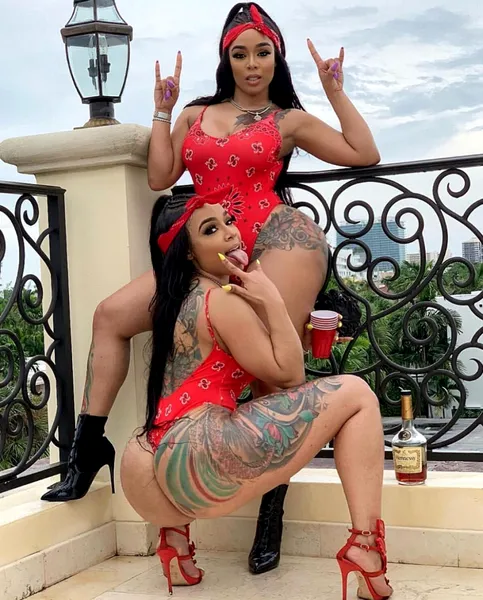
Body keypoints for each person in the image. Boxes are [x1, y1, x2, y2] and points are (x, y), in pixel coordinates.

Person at [42, 1, 380, 577]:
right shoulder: (195, 112)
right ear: (227, 60)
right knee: (110, 315)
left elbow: (364, 154)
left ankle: (271, 507)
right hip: (203, 247)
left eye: (263, 53)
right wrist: (161, 109)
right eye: (240, 54)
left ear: (276, 59)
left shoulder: (288, 120)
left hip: (271, 244)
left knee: (268, 362)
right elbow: (159, 176)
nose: (252, 64)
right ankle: (88, 445)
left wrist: (334, 90)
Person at [120, 190, 392, 600]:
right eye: (211, 230)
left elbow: (226, 363)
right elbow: (290, 375)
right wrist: (272, 299)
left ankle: (176, 545)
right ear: (189, 253)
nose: (231, 233)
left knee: (208, 402)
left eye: (228, 221)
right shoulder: (220, 300)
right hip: (195, 464)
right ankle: (366, 547)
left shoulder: (173, 300)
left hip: (143, 466)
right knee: (357, 394)